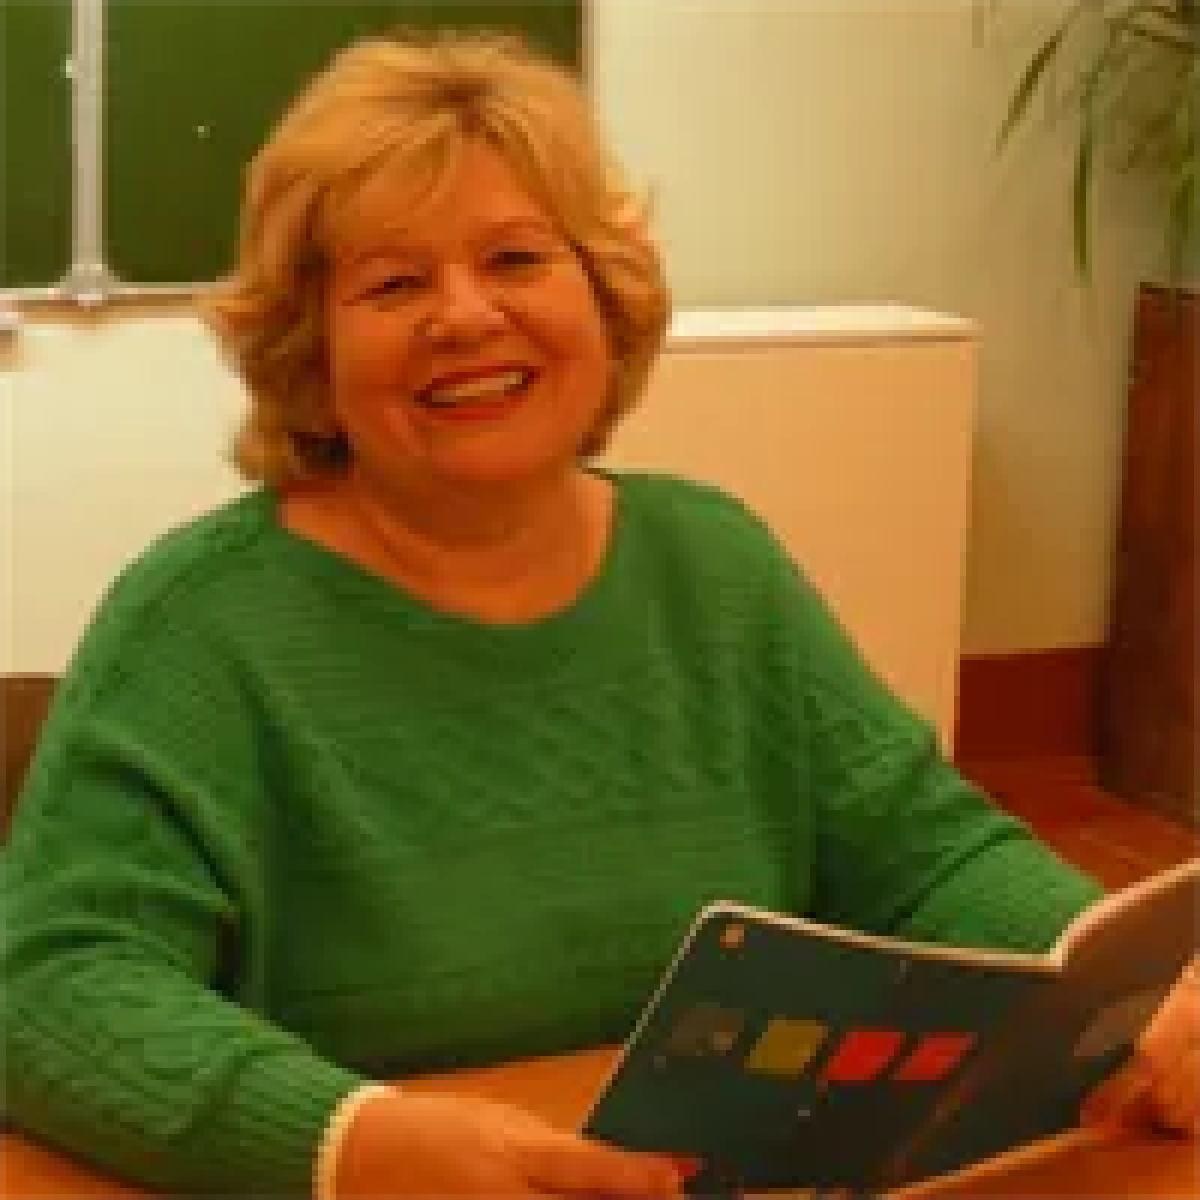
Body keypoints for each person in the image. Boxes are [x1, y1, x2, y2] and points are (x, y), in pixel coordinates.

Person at [3, 29, 1196, 1200]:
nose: (466, 316)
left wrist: (1133, 995)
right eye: (395, 283)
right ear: (312, 349)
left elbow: (926, 856)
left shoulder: (714, 563)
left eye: (516, 260)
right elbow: (51, 985)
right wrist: (351, 1144)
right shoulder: (197, 625)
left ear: (601, 295)